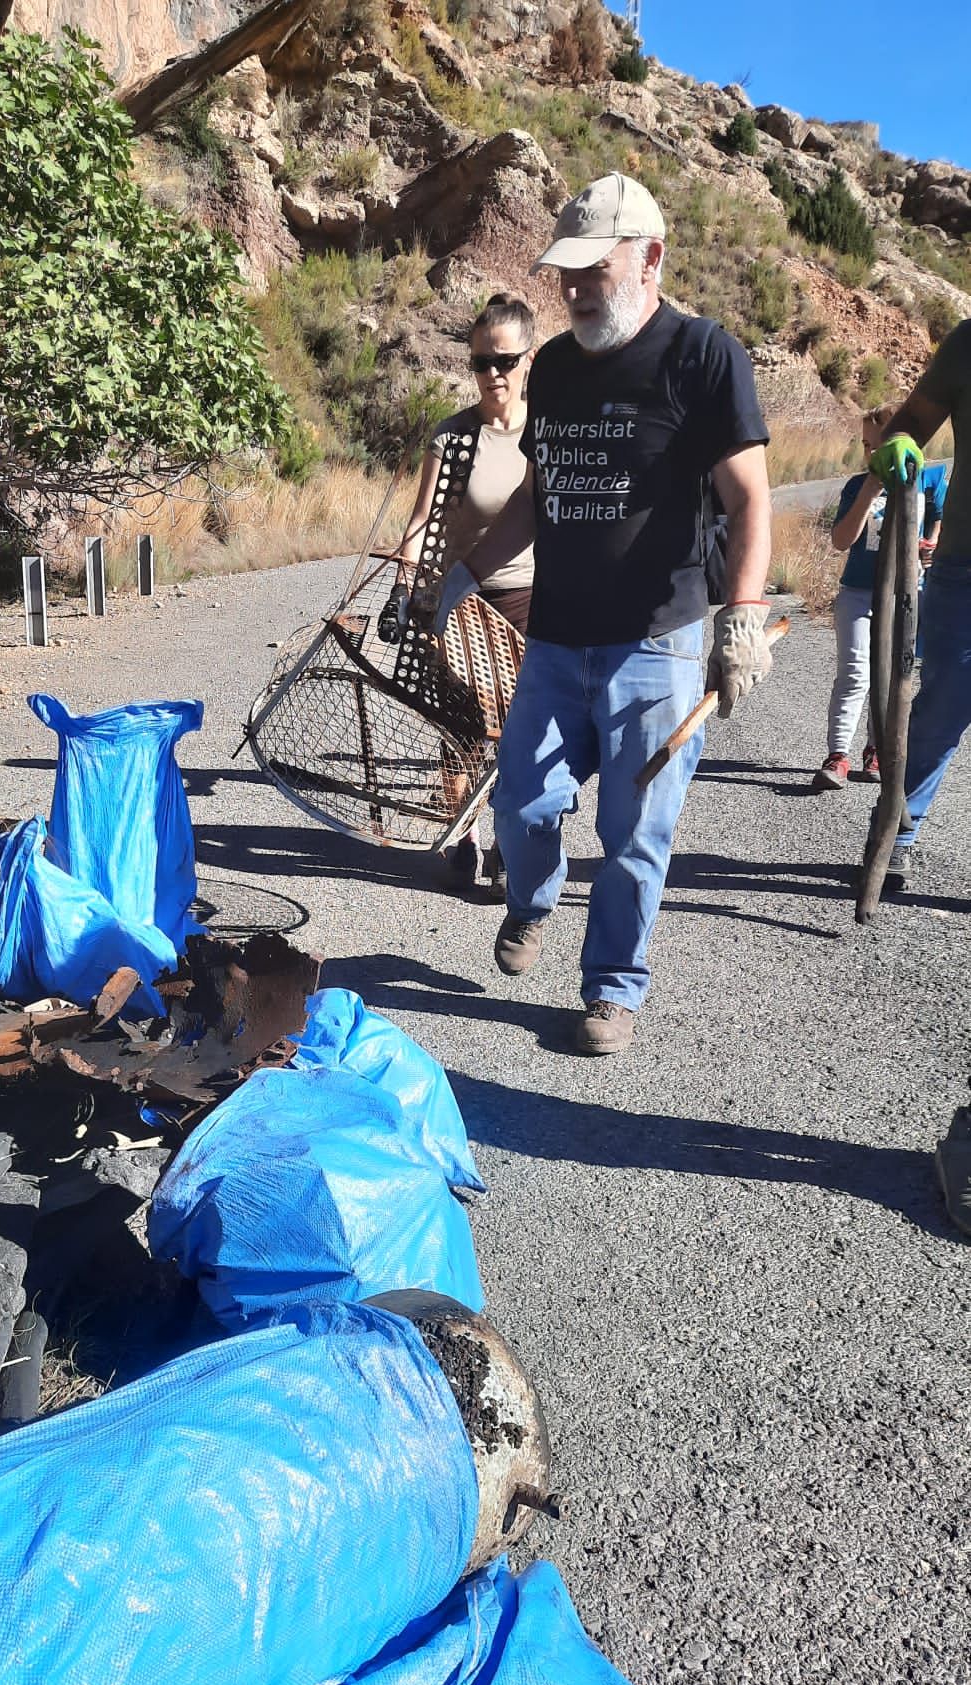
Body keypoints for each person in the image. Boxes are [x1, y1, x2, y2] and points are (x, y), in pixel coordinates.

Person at [468, 172, 773, 1055]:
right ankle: (532, 899)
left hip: (659, 643)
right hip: (557, 637)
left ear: (651, 261)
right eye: (565, 274)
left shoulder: (704, 357)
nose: (572, 291)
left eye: (592, 273)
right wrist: (464, 572)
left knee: (635, 830)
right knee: (522, 800)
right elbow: (538, 492)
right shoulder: (555, 367)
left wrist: (742, 617)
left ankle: (611, 991)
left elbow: (750, 499)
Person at [863, 317, 971, 890]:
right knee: (942, 710)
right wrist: (900, 439)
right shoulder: (968, 342)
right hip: (967, 566)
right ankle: (898, 829)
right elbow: (911, 421)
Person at [382, 292, 538, 638]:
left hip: (529, 602)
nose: (492, 373)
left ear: (530, 359)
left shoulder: (547, 429)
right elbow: (424, 519)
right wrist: (402, 589)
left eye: (505, 361)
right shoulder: (453, 436)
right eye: (481, 363)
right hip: (462, 605)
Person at [815, 405, 946, 792]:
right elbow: (841, 541)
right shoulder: (858, 485)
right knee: (855, 673)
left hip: (905, 595)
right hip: (858, 592)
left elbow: (937, 518)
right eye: (866, 445)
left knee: (891, 678)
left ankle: (876, 749)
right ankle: (838, 755)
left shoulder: (930, 478)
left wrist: (932, 544)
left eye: (879, 444)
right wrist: (871, 487)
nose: (871, 454)